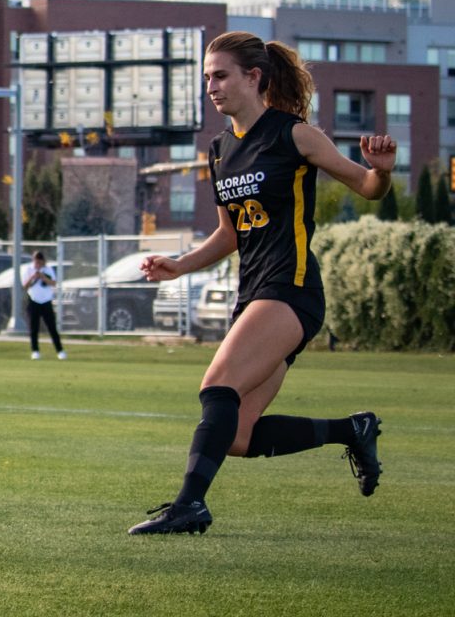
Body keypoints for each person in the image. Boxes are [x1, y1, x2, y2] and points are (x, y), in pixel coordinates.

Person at [128, 31, 392, 535]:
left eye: (221, 75)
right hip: (255, 294)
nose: (212, 85)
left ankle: (189, 506)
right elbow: (229, 233)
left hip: (291, 290)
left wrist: (381, 171)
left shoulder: (293, 134)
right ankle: (352, 430)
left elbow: (367, 187)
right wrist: (179, 265)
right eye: (206, 77)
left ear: (254, 77)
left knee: (216, 387)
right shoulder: (220, 148)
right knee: (238, 434)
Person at [23, 250, 65, 361]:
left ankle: (60, 351)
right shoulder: (29, 269)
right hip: (33, 300)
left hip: (46, 301)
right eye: (36, 262)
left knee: (52, 328)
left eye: (40, 262)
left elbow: (53, 283)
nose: (38, 265)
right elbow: (25, 286)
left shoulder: (48, 269)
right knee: (34, 328)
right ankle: (35, 351)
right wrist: (33, 277)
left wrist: (42, 276)